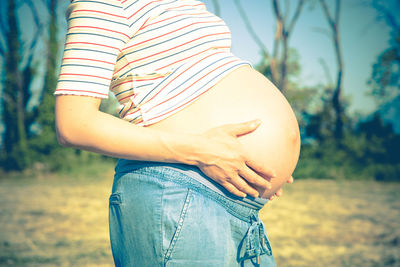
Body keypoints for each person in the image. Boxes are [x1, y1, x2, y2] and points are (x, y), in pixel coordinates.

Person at [55, 0, 300, 266]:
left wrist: (266, 169)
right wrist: (203, 152)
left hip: (236, 205)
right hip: (178, 191)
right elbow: (74, 124)